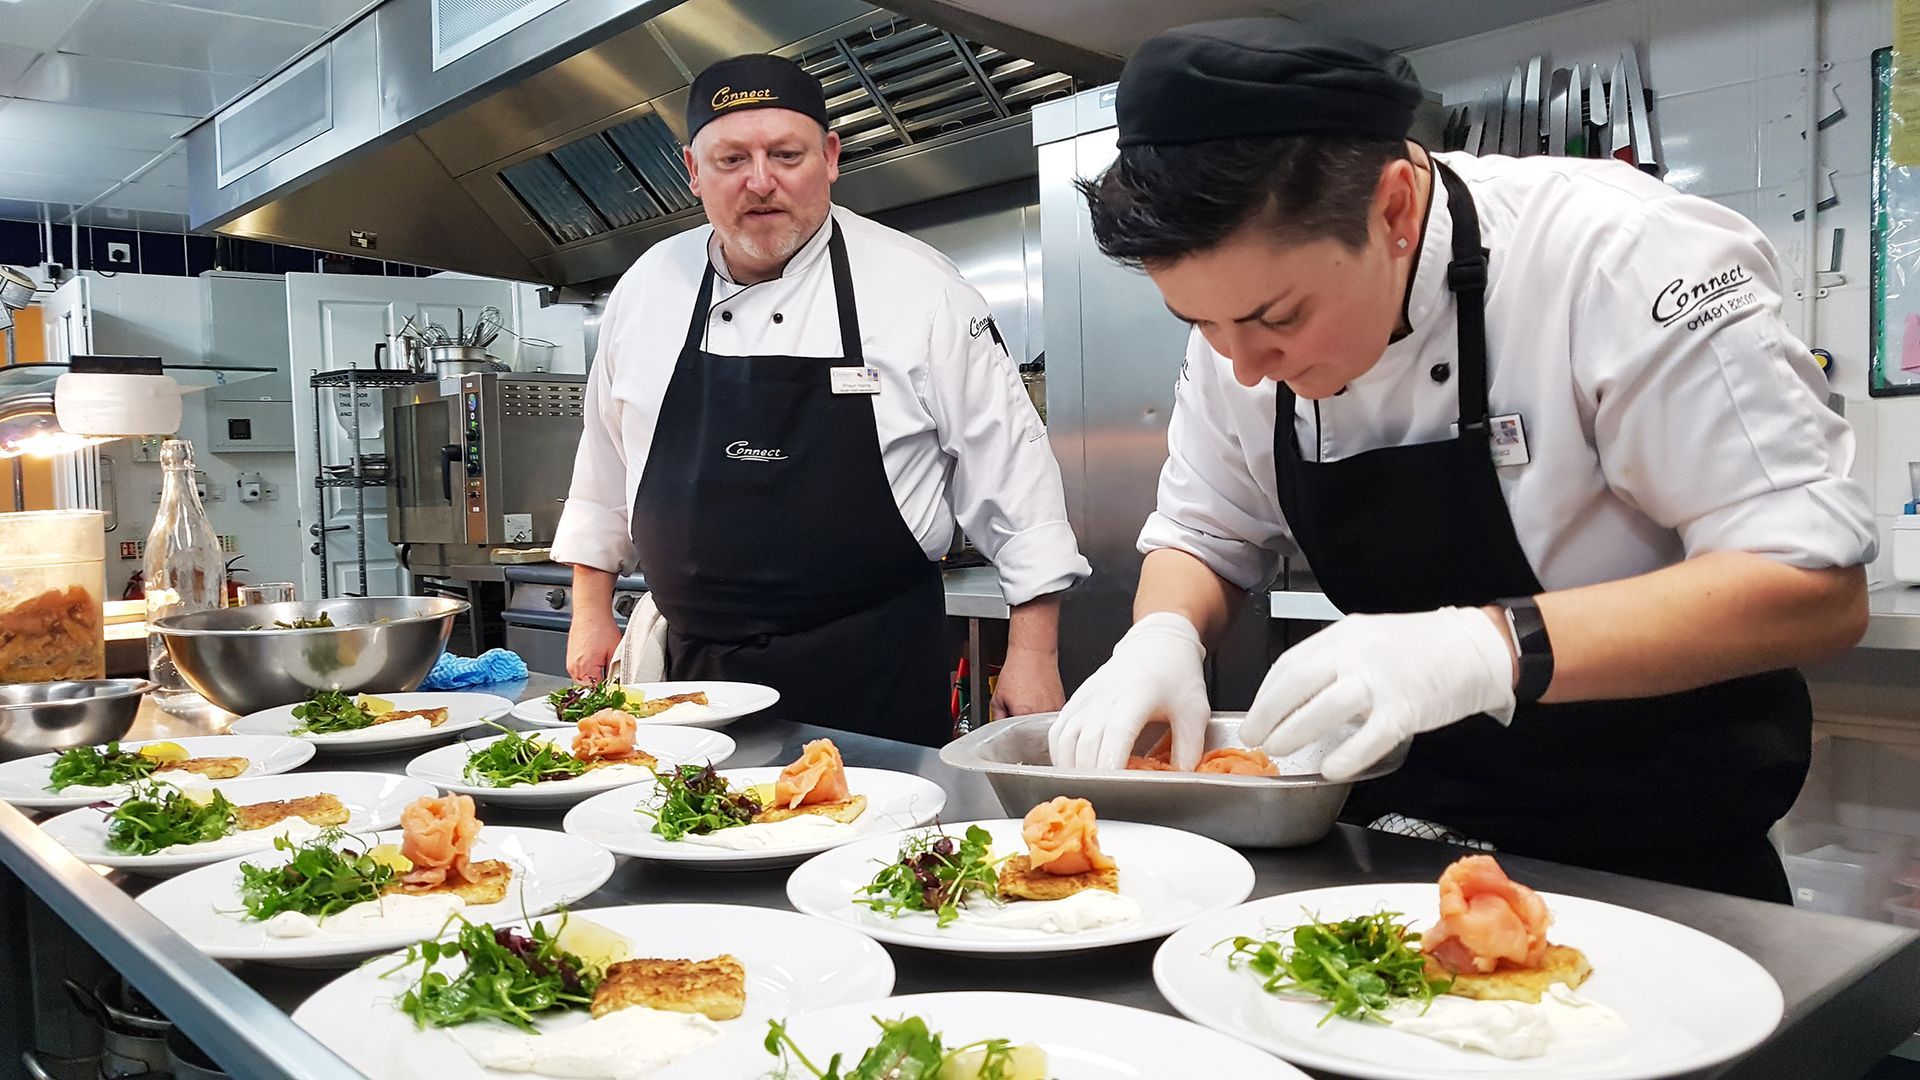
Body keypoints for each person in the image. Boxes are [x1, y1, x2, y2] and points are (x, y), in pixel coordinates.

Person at [1048, 19, 1874, 900]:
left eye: (1278, 318)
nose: (1242, 364)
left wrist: (1484, 650)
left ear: (1395, 208)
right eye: (1200, 325)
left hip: (1665, 857)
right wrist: (1163, 635)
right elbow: (1206, 536)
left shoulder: (1621, 259)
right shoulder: (1235, 341)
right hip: (1406, 851)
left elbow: (1814, 590)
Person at [552, 53, 1088, 746]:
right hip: (693, 686)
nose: (760, 181)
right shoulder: (646, 289)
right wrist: (589, 611)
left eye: (785, 154)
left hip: (873, 674)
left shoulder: (920, 289)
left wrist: (1034, 654)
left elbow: (1017, 483)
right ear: (692, 171)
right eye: (731, 159)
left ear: (831, 157)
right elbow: (602, 473)